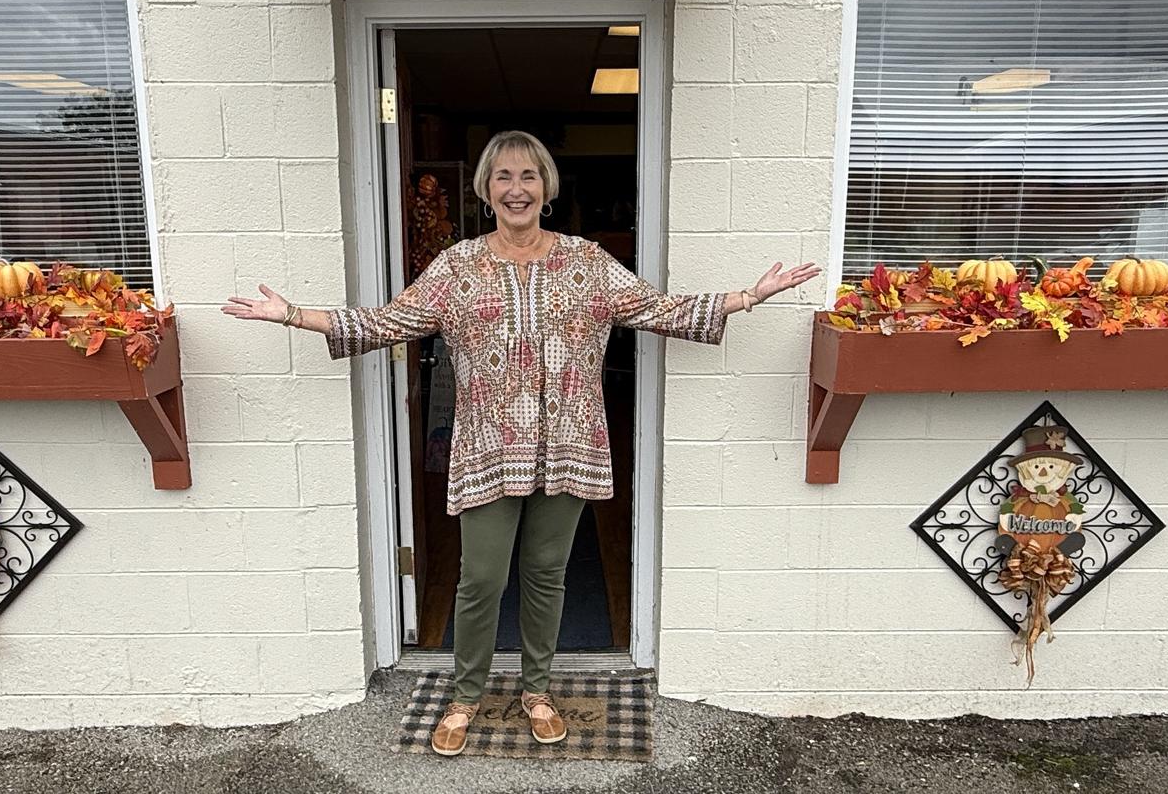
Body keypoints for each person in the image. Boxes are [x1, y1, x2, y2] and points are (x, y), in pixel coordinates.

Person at [223, 130, 819, 756]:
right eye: (503, 177)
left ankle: (538, 690)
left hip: (570, 444)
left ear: (546, 188)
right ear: (486, 190)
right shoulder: (456, 268)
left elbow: (657, 308)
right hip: (488, 449)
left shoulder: (586, 261)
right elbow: (386, 322)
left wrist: (747, 296)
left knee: (546, 574)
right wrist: (294, 315)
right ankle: (464, 695)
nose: (516, 188)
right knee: (480, 578)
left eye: (529, 176)